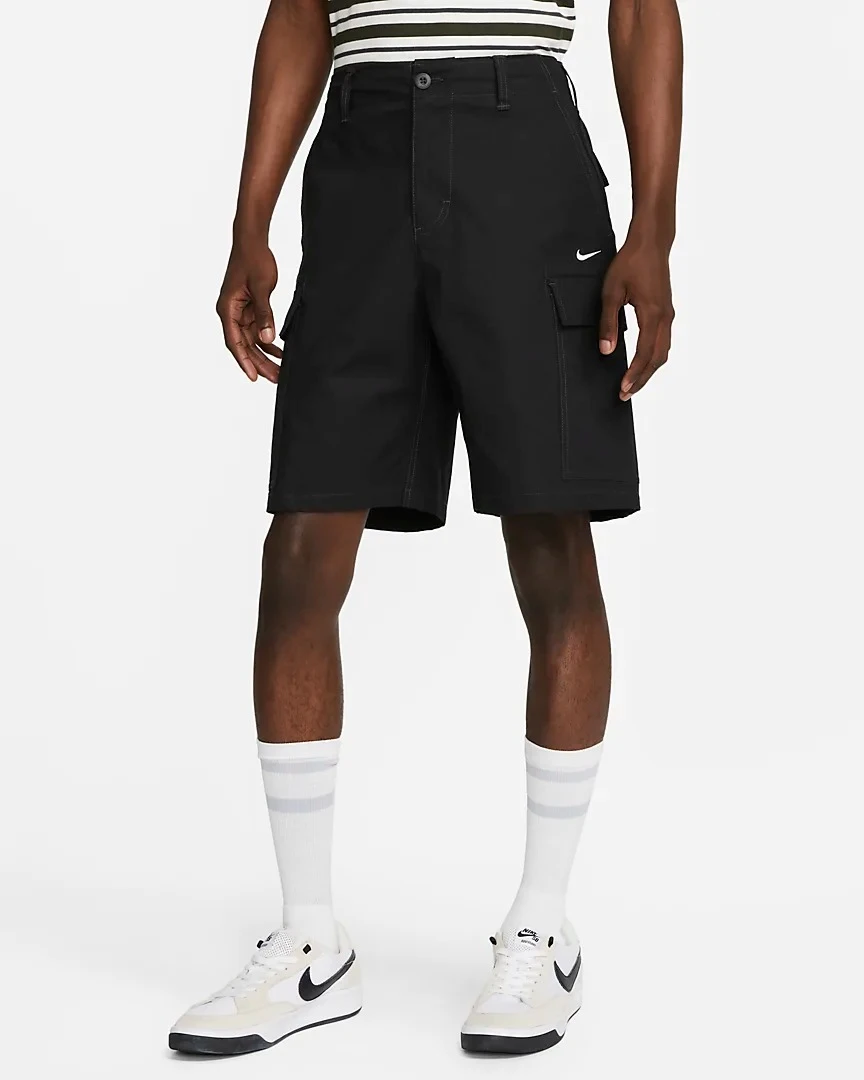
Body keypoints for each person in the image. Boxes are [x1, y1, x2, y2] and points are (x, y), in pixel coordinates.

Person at [168, 0, 682, 1057]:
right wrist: (249, 222)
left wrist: (655, 230)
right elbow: (300, 11)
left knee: (551, 536)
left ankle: (544, 924)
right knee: (301, 544)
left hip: (522, 146)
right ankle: (310, 941)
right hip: (359, 155)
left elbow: (643, 10)